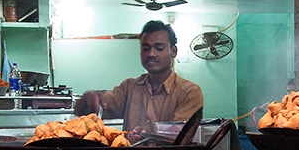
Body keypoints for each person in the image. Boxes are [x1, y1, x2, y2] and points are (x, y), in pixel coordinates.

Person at [73, 20, 203, 132]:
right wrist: (88, 99)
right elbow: (87, 111)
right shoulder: (129, 88)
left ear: (173, 51)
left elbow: (179, 139)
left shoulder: (189, 92)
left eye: (159, 48)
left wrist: (142, 139)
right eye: (145, 48)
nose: (151, 54)